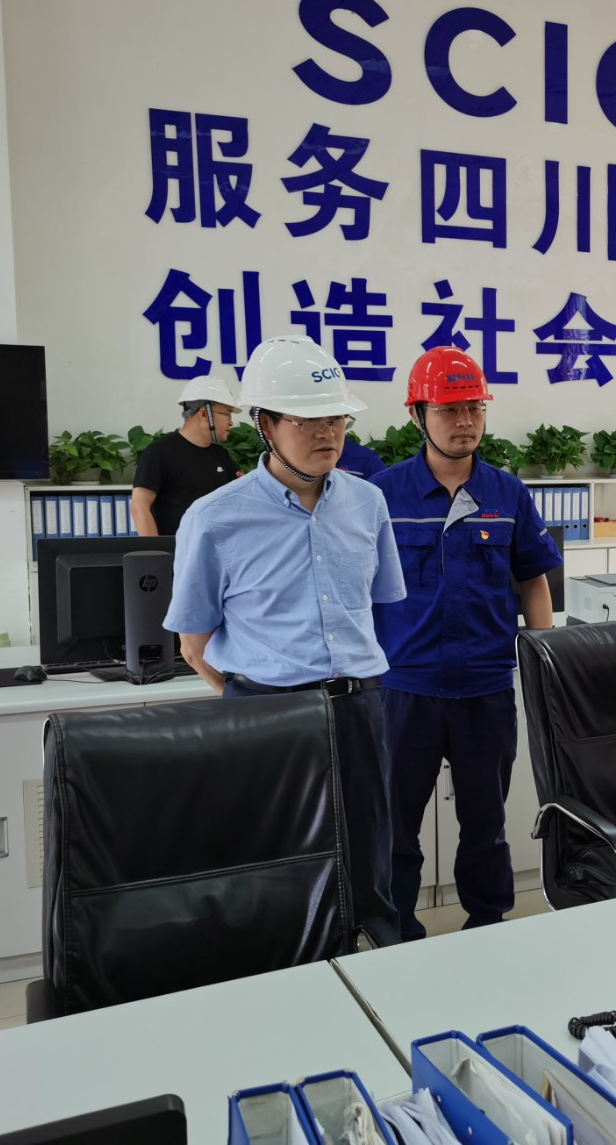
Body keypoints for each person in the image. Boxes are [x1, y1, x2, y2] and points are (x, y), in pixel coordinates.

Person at [164, 335, 407, 946]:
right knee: (272, 859)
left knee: (370, 856)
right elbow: (193, 644)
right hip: (266, 710)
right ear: (266, 424)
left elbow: (378, 609)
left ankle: (380, 959)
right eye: (308, 420)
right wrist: (252, 696)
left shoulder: (369, 503)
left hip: (358, 705)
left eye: (337, 419)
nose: (328, 433)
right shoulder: (215, 518)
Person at [370, 346, 562, 939]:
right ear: (417, 415)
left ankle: (486, 927)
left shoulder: (507, 493)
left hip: (485, 689)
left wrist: (544, 670)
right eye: (449, 409)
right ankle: (397, 931)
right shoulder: (381, 494)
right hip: (403, 690)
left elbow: (533, 580)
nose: (465, 422)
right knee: (395, 826)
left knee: (485, 824)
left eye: (474, 408)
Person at [130, 373, 241, 536]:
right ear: (204, 414)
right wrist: (155, 550)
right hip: (174, 549)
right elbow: (139, 507)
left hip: (216, 547)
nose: (231, 422)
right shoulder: (159, 452)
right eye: (227, 413)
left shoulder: (221, 455)